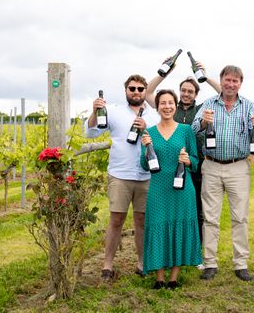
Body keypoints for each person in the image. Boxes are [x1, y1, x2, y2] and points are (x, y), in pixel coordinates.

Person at [191, 65, 254, 282]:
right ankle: (210, 263)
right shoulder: (208, 104)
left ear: (240, 83)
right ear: (221, 80)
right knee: (210, 217)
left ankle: (240, 264)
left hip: (238, 166)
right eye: (227, 80)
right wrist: (204, 122)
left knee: (240, 217)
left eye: (235, 81)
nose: (230, 84)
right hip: (212, 165)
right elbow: (194, 130)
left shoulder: (250, 107)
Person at [85, 74, 159, 282]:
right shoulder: (114, 112)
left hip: (146, 175)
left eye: (140, 89)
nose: (136, 92)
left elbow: (161, 141)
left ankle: (142, 263)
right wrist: (94, 111)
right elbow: (91, 133)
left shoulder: (154, 116)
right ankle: (107, 265)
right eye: (132, 88)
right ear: (126, 90)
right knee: (116, 219)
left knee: (142, 221)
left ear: (145, 91)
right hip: (120, 174)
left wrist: (146, 129)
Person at [145, 61, 221, 245]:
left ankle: (196, 248)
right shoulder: (169, 107)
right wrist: (166, 72)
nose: (186, 94)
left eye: (190, 91)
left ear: (196, 94)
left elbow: (223, 93)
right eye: (183, 90)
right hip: (171, 166)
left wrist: (205, 75)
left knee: (198, 210)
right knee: (174, 209)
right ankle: (174, 244)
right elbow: (148, 92)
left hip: (197, 165)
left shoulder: (201, 108)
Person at [140, 89, 202, 289]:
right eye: (162, 103)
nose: (167, 106)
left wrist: (188, 160)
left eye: (170, 103)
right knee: (158, 225)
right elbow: (144, 164)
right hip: (158, 188)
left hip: (182, 189)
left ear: (175, 106)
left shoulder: (186, 130)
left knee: (179, 226)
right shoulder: (149, 132)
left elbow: (196, 161)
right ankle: (159, 277)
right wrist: (145, 148)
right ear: (157, 107)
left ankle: (174, 277)